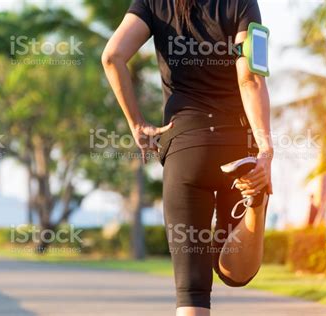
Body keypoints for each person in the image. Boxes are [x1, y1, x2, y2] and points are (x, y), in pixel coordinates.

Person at [102, 1, 273, 315]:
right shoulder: (242, 3)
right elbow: (250, 78)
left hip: (185, 148)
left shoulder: (152, 2)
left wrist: (137, 124)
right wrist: (265, 150)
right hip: (237, 148)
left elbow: (112, 56)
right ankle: (256, 205)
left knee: (192, 293)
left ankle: (254, 206)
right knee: (236, 274)